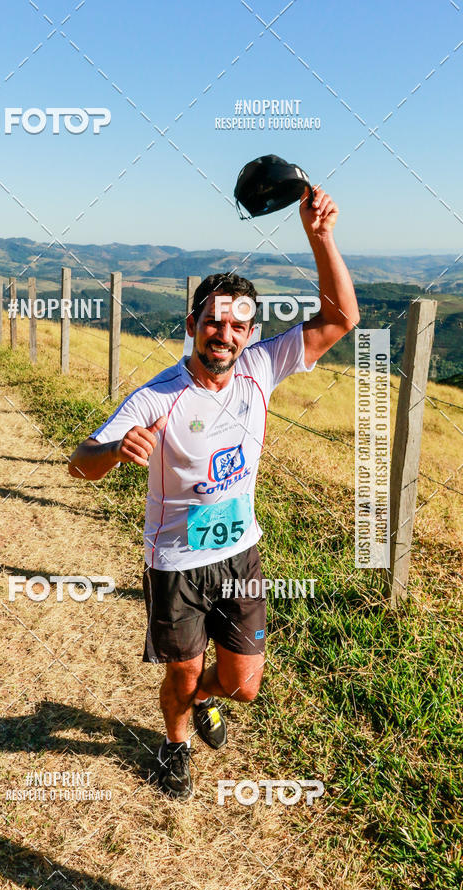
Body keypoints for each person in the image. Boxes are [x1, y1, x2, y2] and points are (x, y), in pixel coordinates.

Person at [69, 186, 359, 799]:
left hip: (241, 554)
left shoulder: (262, 366)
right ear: (193, 325)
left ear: (250, 333)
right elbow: (79, 462)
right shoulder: (157, 396)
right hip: (177, 564)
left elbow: (339, 319)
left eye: (238, 324)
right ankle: (174, 745)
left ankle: (203, 701)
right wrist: (115, 451)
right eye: (214, 321)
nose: (225, 334)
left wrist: (320, 236)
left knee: (244, 685)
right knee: (183, 666)